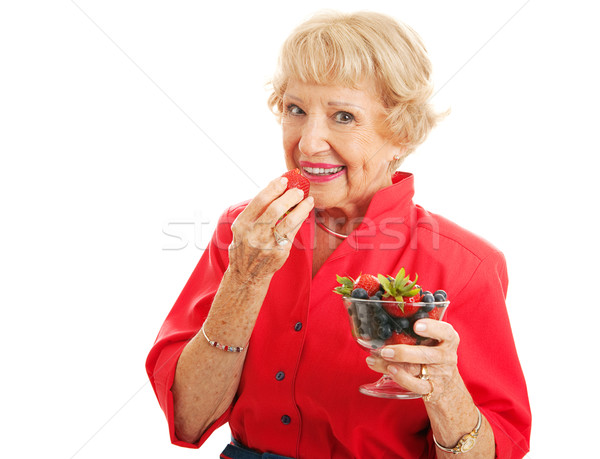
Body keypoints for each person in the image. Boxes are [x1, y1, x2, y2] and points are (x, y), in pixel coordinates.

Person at [146, 10, 531, 458]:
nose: (309, 143)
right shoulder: (243, 232)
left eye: (344, 116)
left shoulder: (466, 265)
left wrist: (445, 392)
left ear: (402, 134)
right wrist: (245, 280)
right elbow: (188, 419)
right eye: (296, 110)